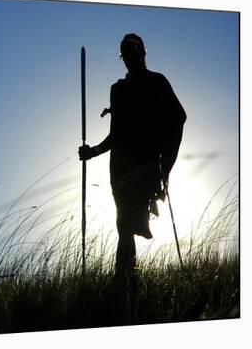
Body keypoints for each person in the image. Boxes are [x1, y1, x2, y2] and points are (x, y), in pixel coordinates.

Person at [79, 33, 186, 277]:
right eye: (126, 54)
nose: (130, 57)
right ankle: (128, 282)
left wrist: (164, 167)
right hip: (119, 168)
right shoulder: (118, 90)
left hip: (145, 164)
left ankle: (123, 283)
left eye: (134, 52)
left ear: (143, 53)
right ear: (123, 58)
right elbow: (115, 134)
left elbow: (178, 118)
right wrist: (93, 151)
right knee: (123, 225)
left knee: (126, 224)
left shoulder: (157, 82)